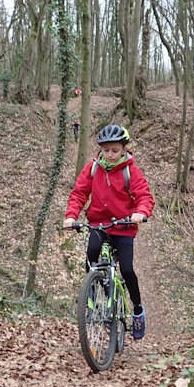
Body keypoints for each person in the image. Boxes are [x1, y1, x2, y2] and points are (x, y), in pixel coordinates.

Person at [62, 124, 155, 339]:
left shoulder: (130, 170)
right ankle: (91, 293)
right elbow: (79, 194)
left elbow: (145, 196)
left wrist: (140, 212)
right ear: (100, 150)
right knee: (91, 257)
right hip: (98, 224)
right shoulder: (93, 168)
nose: (110, 155)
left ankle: (138, 310)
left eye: (115, 150)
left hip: (124, 226)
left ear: (124, 149)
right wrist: (71, 216)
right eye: (106, 150)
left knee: (128, 270)